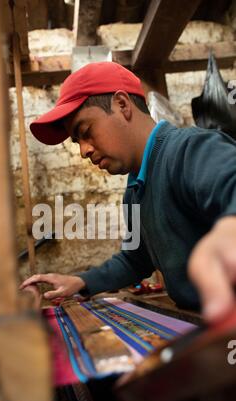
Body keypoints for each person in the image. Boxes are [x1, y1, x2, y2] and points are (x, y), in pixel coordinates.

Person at [21, 61, 236, 323]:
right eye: (77, 142)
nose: (83, 151)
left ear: (122, 105)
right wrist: (81, 281)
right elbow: (136, 259)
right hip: (201, 323)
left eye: (86, 132)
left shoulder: (188, 150)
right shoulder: (134, 192)